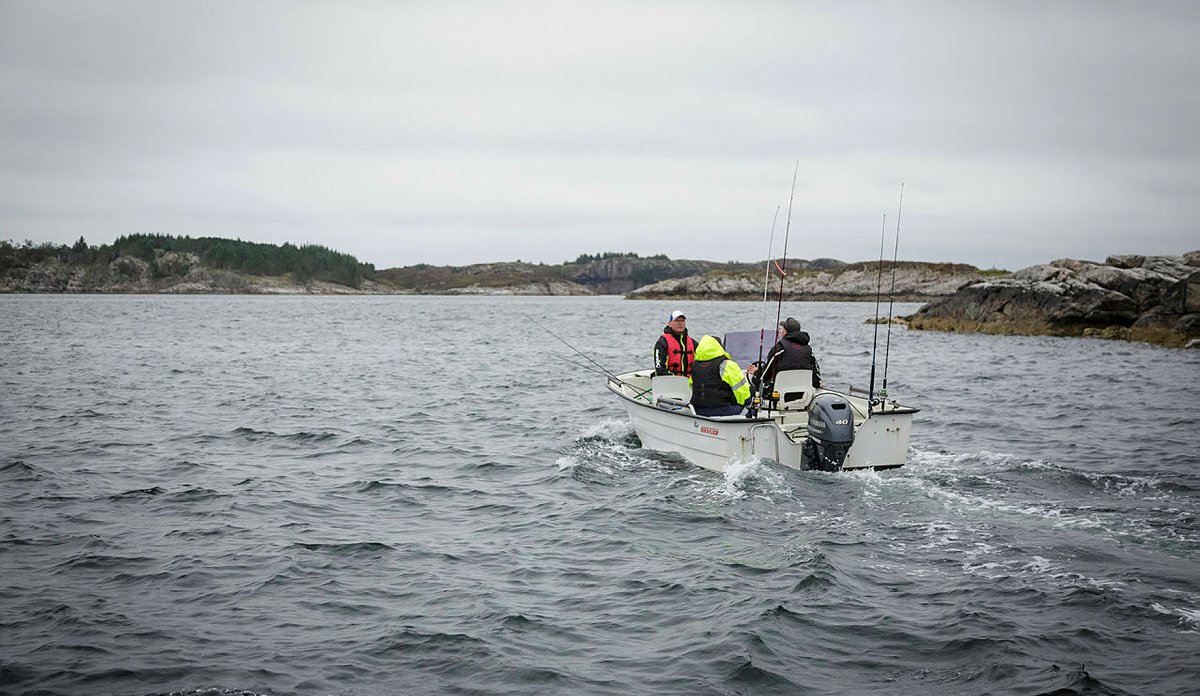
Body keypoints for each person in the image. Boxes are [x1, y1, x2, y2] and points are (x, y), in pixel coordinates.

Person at [688, 335, 753, 416]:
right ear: (719, 347)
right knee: (751, 412)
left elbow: (691, 386)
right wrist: (748, 403)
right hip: (724, 410)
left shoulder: (694, 366)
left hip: (698, 411)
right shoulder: (727, 365)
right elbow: (741, 392)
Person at [760, 316, 822, 390]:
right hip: (803, 396)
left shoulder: (779, 348)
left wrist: (756, 373)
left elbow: (764, 376)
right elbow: (817, 378)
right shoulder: (808, 350)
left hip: (779, 395)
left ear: (785, 332)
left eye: (781, 330)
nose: (780, 332)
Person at [653, 309, 696, 376]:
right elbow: (659, 368)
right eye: (677, 321)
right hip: (670, 381)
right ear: (670, 324)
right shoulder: (662, 342)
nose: (680, 323)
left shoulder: (693, 343)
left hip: (689, 381)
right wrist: (674, 379)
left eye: (682, 321)